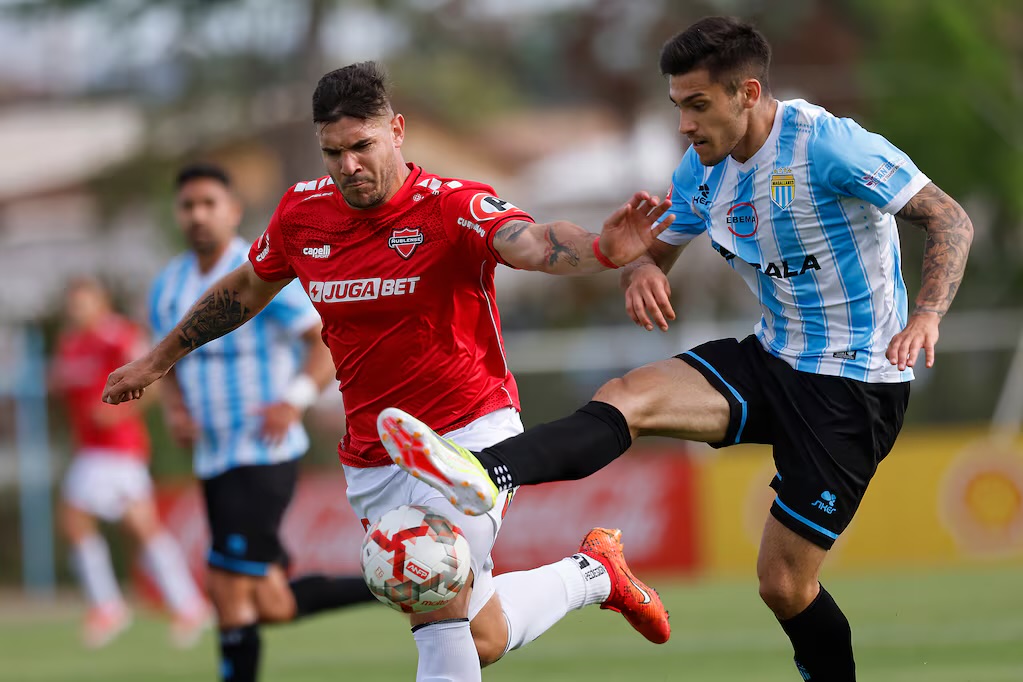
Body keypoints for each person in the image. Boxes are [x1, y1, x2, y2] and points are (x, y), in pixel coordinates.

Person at [375, 17, 975, 682]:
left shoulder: (828, 145)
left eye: (697, 106)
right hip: (772, 359)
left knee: (782, 586)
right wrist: (644, 269)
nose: (685, 125)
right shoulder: (701, 172)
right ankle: (486, 471)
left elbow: (949, 216)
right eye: (677, 108)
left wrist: (925, 315)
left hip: (853, 385)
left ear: (746, 93)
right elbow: (656, 245)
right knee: (626, 398)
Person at [103, 62, 674, 682]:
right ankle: (591, 574)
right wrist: (157, 360)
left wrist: (599, 249)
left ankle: (586, 573)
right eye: (333, 152)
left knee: (434, 601)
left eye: (361, 146)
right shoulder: (302, 214)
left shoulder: (451, 206)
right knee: (477, 633)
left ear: (396, 131)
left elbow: (530, 241)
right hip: (373, 457)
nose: (348, 165)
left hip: (470, 437)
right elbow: (244, 288)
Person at [146, 163, 378, 682]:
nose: (198, 215)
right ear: (178, 215)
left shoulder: (258, 273)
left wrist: (293, 400)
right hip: (214, 456)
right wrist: (176, 409)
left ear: (232, 212)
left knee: (225, 584)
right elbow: (166, 360)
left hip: (264, 452)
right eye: (188, 206)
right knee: (268, 600)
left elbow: (321, 341)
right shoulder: (168, 286)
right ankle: (393, 580)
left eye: (210, 204)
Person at [50, 277, 209, 649]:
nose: (78, 311)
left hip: (119, 449)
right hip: (90, 452)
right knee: (80, 523)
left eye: (84, 302)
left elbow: (151, 382)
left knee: (138, 526)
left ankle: (181, 605)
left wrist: (121, 415)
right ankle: (119, 605)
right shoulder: (70, 344)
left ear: (101, 302)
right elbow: (67, 392)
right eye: (73, 304)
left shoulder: (118, 336)